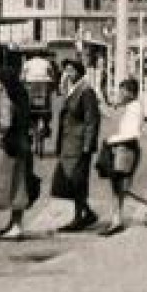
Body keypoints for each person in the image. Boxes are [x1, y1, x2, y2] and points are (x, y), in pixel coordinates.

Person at [99, 78, 147, 235]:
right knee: (117, 186)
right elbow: (112, 109)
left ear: (130, 93)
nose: (119, 94)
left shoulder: (134, 108)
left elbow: (133, 134)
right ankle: (117, 219)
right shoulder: (130, 106)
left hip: (126, 149)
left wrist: (112, 140)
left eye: (122, 91)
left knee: (123, 187)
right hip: (122, 148)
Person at [52, 59, 101, 232]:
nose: (68, 73)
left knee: (77, 181)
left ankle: (80, 217)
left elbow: (91, 120)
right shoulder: (72, 90)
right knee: (68, 181)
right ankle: (85, 213)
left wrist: (87, 146)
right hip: (69, 142)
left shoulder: (86, 92)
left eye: (72, 70)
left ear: (80, 72)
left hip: (79, 144)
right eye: (66, 70)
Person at [0, 65, 34, 240]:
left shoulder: (7, 97)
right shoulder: (21, 94)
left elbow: (5, 123)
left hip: (9, 146)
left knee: (11, 185)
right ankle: (15, 223)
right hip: (21, 143)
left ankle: (16, 227)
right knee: (19, 183)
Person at [22, 52, 55, 137]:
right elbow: (51, 74)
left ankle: (29, 126)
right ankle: (46, 124)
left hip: (31, 83)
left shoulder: (27, 63)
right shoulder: (46, 62)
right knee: (47, 104)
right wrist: (53, 82)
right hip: (44, 83)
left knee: (28, 104)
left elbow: (22, 77)